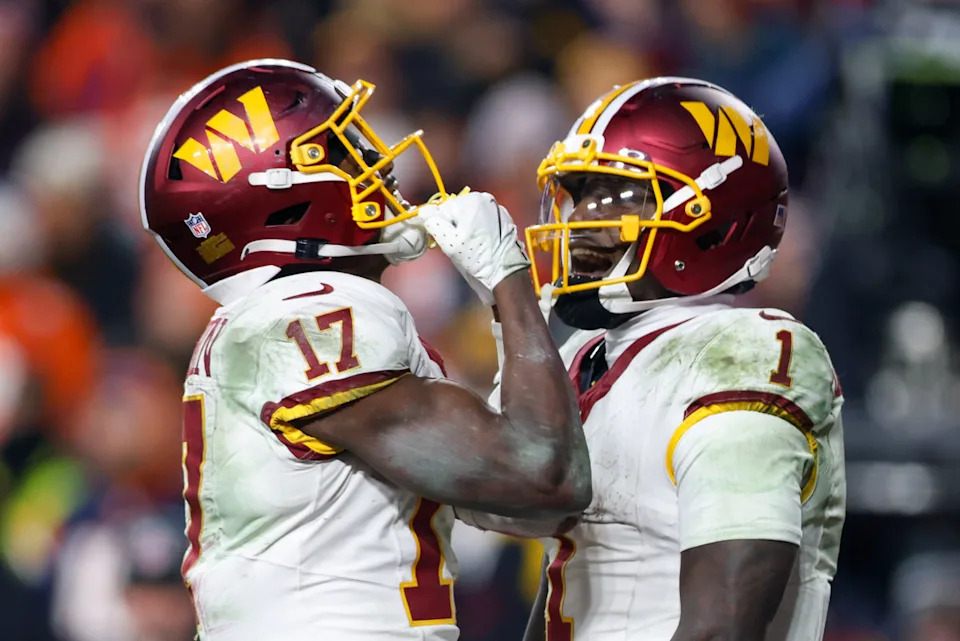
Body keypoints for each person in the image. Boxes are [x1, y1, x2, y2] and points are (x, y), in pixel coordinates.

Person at [138, 58, 591, 641]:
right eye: (337, 151)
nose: (374, 163)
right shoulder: (311, 311)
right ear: (280, 199)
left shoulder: (278, 321)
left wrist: (506, 321)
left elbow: (531, 507)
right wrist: (509, 284)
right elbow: (545, 476)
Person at [467, 77, 846, 641]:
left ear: (713, 217)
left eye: (621, 197)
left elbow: (722, 626)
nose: (581, 222)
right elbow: (566, 583)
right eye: (583, 196)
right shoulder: (588, 354)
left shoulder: (741, 354)